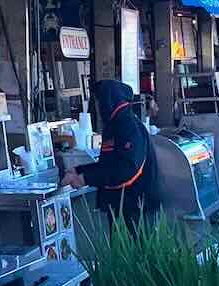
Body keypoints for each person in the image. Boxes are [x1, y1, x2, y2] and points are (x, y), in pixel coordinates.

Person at [61, 80, 160, 223]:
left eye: (100, 101)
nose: (98, 107)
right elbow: (108, 164)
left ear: (109, 100)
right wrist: (78, 170)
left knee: (131, 245)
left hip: (135, 209)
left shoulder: (128, 126)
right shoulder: (113, 126)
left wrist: (86, 178)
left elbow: (127, 169)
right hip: (117, 207)